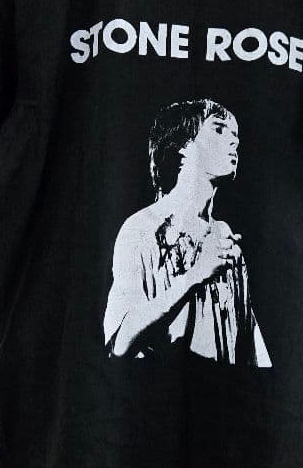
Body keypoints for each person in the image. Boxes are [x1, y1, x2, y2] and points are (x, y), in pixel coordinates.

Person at [103, 98, 272, 366]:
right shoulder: (142, 228)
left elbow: (249, 343)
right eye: (218, 129)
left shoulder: (223, 237)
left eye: (235, 135)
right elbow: (120, 344)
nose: (234, 142)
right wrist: (196, 275)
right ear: (182, 145)